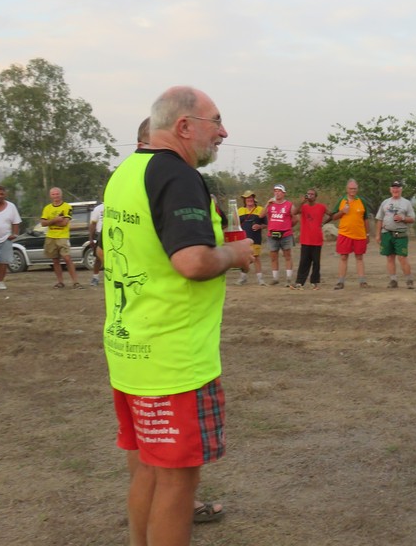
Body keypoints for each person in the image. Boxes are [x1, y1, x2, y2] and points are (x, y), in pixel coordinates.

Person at [102, 86, 252, 546]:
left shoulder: (126, 172)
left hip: (130, 351)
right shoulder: (178, 176)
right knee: (177, 482)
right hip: (174, 361)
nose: (223, 132)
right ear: (184, 126)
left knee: (147, 470)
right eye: (216, 121)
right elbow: (192, 261)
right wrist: (234, 254)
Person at [375, 180, 416, 289]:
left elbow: (412, 218)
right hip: (386, 233)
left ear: (401, 189)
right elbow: (379, 219)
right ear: (390, 189)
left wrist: (402, 218)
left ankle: (409, 280)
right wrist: (378, 235)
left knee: (402, 257)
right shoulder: (385, 202)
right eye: (393, 188)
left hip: (400, 233)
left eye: (397, 188)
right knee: (389, 257)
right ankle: (393, 280)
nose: (395, 190)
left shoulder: (406, 203)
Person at [331, 179, 371, 289]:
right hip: (345, 233)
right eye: (351, 188)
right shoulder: (341, 200)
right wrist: (342, 211)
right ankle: (340, 282)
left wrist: (367, 234)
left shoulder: (362, 201)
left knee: (359, 257)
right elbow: (333, 217)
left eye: (354, 188)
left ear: (357, 189)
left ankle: (362, 282)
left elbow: (366, 219)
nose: (353, 190)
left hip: (359, 234)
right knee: (343, 257)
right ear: (347, 189)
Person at [41, 187, 83, 289]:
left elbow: (64, 223)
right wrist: (56, 219)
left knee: (67, 258)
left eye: (57, 194)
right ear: (50, 196)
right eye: (53, 194)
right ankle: (60, 282)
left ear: (61, 195)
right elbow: (43, 223)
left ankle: (75, 282)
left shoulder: (66, 207)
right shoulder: (47, 208)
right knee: (55, 260)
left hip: (63, 236)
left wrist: (50, 221)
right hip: (50, 236)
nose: (55, 196)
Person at [292, 187, 328, 289]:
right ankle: (299, 282)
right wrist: (302, 202)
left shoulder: (321, 207)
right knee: (304, 261)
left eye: (312, 194)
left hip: (317, 239)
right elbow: (294, 212)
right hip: (305, 239)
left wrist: (324, 222)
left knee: (316, 262)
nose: (310, 196)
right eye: (308, 194)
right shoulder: (303, 207)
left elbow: (331, 214)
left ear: (315, 197)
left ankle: (315, 282)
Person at [265, 184, 296, 286]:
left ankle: (289, 279)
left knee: (287, 255)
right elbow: (261, 215)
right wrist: (267, 204)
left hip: (286, 234)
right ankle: (275, 278)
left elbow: (295, 218)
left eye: (279, 191)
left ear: (284, 193)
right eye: (275, 191)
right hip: (272, 234)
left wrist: (287, 226)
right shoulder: (270, 204)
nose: (277, 193)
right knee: (273, 256)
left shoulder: (289, 205)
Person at [237, 190, 267, 286]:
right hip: (243, 239)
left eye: (250, 197)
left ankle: (260, 280)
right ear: (244, 200)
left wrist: (259, 226)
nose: (249, 199)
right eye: (247, 198)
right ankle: (243, 278)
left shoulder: (260, 209)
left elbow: (266, 224)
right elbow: (235, 224)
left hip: (255, 238)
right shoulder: (239, 210)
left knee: (256, 257)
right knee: (245, 258)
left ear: (254, 198)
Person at [89, 201, 105, 286]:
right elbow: (93, 223)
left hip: (113, 233)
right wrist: (91, 238)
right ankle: (95, 277)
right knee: (98, 257)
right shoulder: (98, 209)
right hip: (100, 234)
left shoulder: (116, 206)